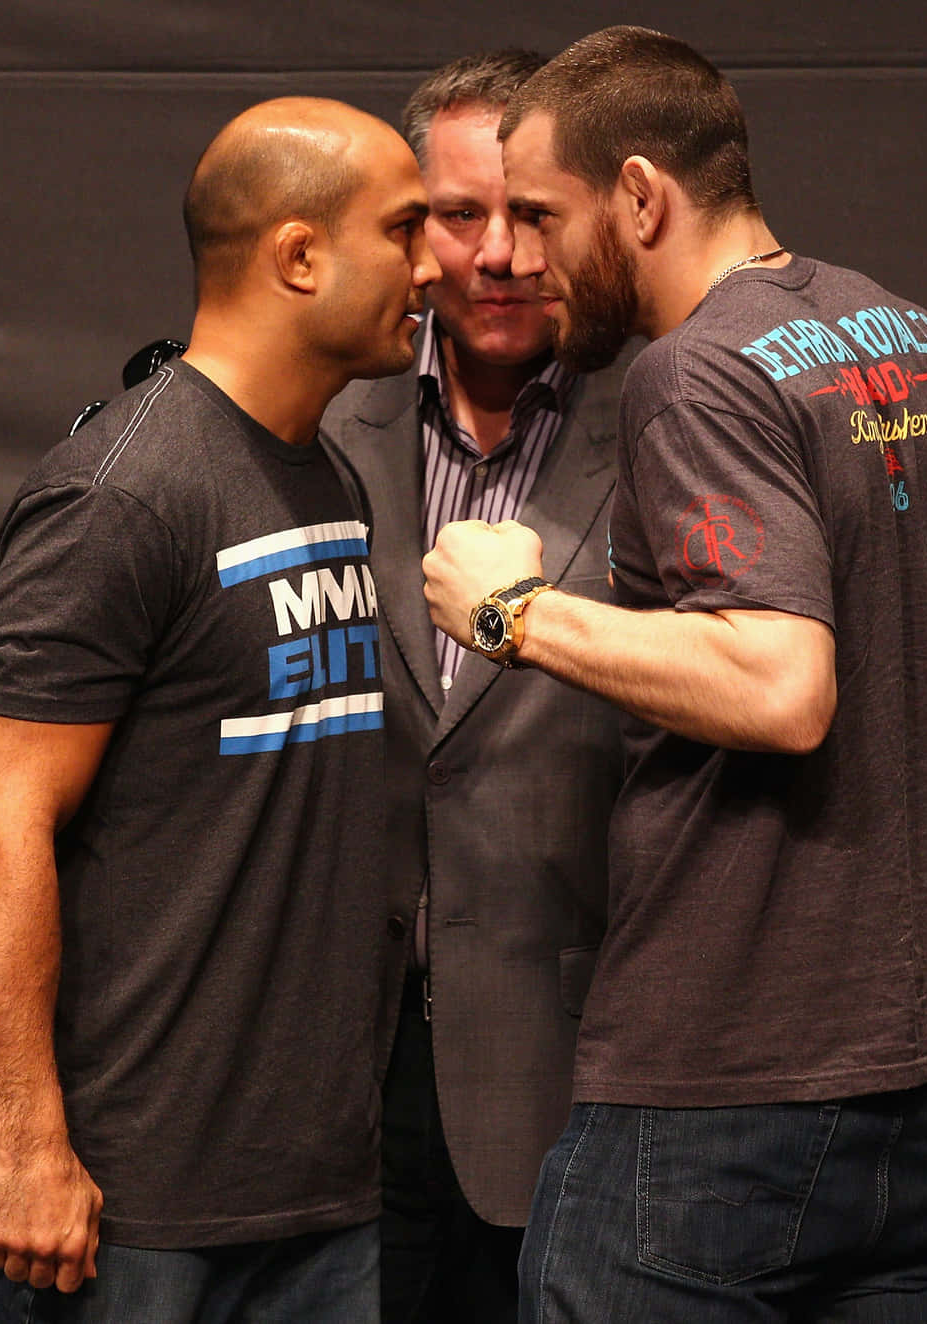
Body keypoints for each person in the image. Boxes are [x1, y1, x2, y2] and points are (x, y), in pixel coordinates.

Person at [420, 27, 927, 1323]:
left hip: (722, 1099)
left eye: (548, 213)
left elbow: (781, 688)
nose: (527, 257)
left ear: (644, 195)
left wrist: (514, 615)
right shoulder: (912, 338)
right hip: (920, 1108)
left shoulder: (696, 370)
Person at [0, 96, 439, 1323]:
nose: (438, 266)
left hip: (313, 1193)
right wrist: (30, 1145)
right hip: (125, 1202)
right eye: (409, 228)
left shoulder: (323, 471)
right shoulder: (123, 496)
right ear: (300, 255)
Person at [323, 51, 624, 1324]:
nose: (498, 252)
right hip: (339, 1073)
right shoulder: (322, 428)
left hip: (580, 1060)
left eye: (532, 215)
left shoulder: (676, 420)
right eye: (460, 214)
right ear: (414, 231)